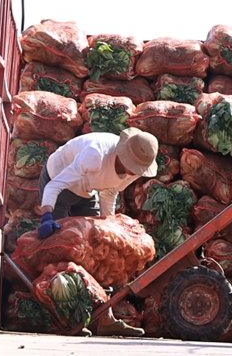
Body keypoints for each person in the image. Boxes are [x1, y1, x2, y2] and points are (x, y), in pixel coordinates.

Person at [36, 127, 159, 337]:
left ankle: (106, 320)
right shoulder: (95, 155)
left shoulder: (133, 171)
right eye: (131, 165)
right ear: (122, 154)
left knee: (102, 251)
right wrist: (47, 215)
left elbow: (110, 192)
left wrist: (108, 226)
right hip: (59, 182)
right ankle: (68, 320)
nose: (133, 171)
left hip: (87, 190)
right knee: (65, 250)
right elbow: (54, 187)